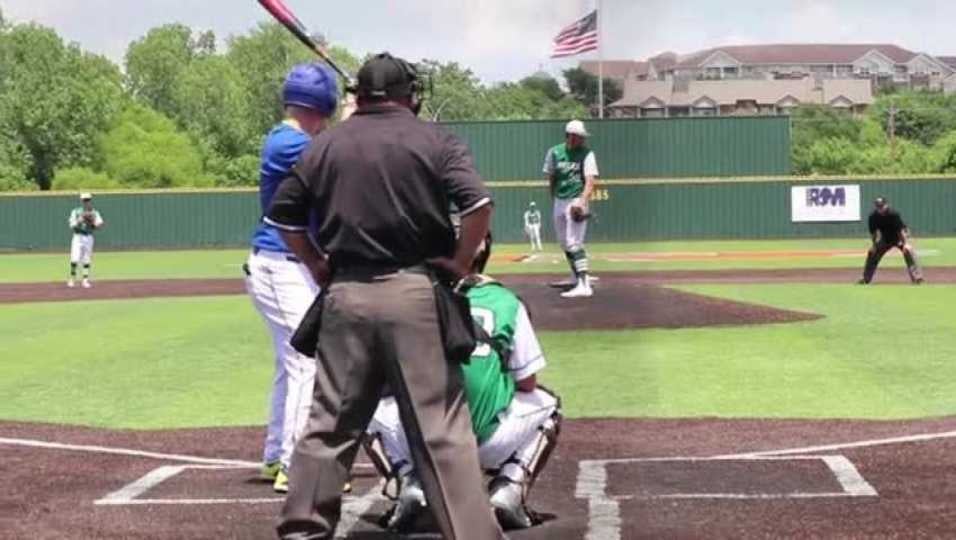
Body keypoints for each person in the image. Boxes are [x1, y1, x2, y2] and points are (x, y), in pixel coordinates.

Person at [266, 52, 505, 540]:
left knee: (329, 426)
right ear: (406, 94)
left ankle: (302, 531)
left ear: (359, 96)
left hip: (346, 295)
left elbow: (283, 217)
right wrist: (460, 263)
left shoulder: (325, 144)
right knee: (440, 431)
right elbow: (478, 205)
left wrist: (314, 261)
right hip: (416, 294)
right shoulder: (435, 139)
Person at [365, 232, 561, 532]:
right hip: (486, 444)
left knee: (364, 403)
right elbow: (528, 382)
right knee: (550, 406)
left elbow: (387, 378)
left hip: (424, 443)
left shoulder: (414, 299)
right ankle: (509, 487)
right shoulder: (507, 302)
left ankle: (409, 482)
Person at [244, 63, 338, 493]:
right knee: (306, 360)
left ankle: (275, 455)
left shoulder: (293, 139)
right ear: (322, 106)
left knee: (290, 362)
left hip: (282, 263)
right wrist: (359, 118)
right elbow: (334, 153)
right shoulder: (287, 142)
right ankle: (296, 463)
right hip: (281, 264)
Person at [543, 119, 599, 298]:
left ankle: (584, 284)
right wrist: (554, 199)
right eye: (580, 136)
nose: (583, 139)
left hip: (576, 199)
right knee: (563, 242)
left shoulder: (587, 154)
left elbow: (590, 181)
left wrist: (582, 202)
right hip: (559, 200)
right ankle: (576, 276)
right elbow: (552, 177)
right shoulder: (554, 152)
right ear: (571, 136)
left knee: (574, 242)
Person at [858, 196, 924, 285]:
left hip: (899, 236)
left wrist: (905, 244)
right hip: (885, 238)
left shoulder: (893, 214)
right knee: (872, 253)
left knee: (908, 250)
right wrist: (874, 245)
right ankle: (866, 279)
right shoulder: (873, 217)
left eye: (881, 206)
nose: (880, 208)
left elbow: (900, 231)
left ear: (886, 205)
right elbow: (874, 233)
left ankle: (917, 278)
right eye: (878, 206)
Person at [67, 193, 105, 288]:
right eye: (84, 200)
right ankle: (72, 279)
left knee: (87, 259)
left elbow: (100, 224)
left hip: (88, 237)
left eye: (88, 200)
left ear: (90, 200)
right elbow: (72, 226)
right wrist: (80, 220)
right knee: (75, 258)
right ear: (81, 201)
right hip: (78, 236)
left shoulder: (95, 212)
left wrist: (92, 222)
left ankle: (85, 280)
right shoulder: (75, 211)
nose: (86, 201)